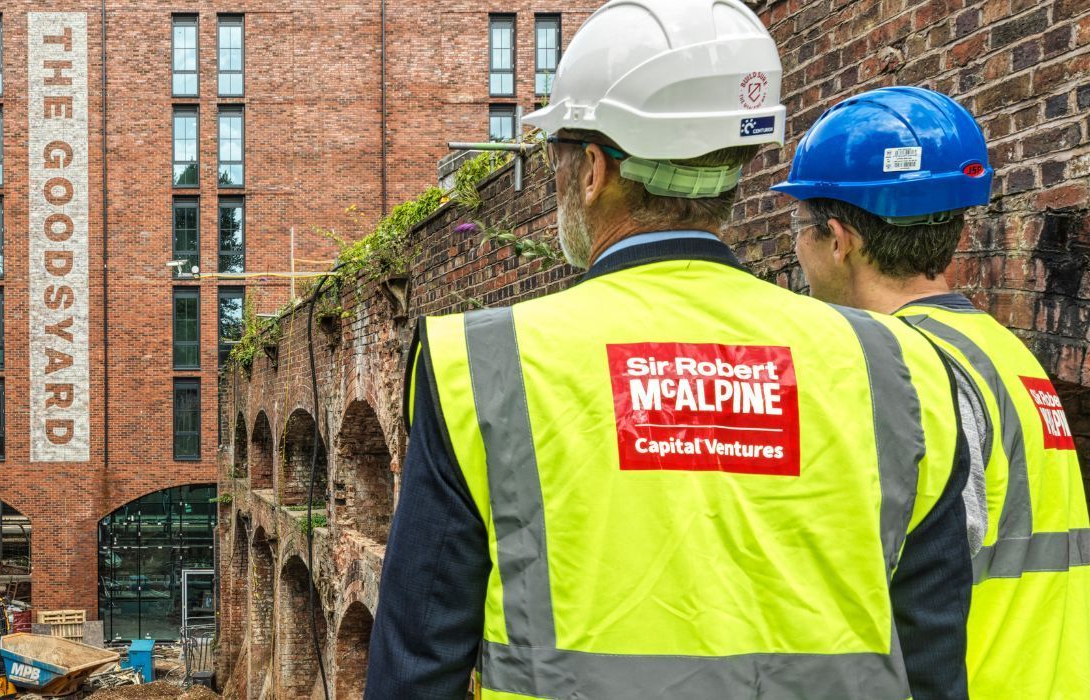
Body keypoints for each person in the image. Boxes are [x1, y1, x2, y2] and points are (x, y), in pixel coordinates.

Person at [365, 1, 984, 697]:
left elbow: (417, 671)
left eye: (559, 158)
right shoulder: (899, 369)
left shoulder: (482, 365)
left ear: (592, 170)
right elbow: (933, 661)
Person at [775, 86, 1090, 699]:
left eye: (802, 228)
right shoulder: (1006, 352)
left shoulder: (901, 373)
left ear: (839, 239)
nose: (798, 248)